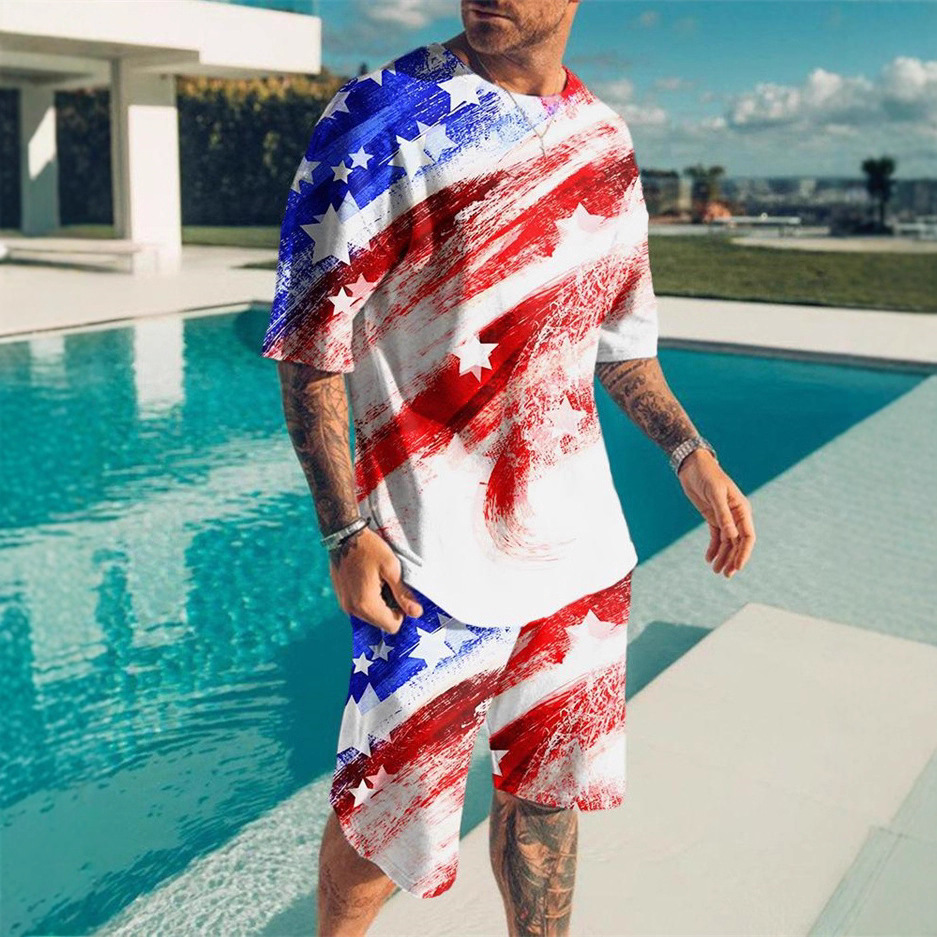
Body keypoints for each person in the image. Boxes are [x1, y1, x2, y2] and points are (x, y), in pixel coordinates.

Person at [261, 2, 756, 934]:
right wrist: (343, 530)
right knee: (382, 824)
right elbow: (309, 345)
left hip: (578, 553)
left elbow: (620, 344)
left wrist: (690, 452)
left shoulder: (603, 142)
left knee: (546, 806)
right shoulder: (380, 115)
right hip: (424, 565)